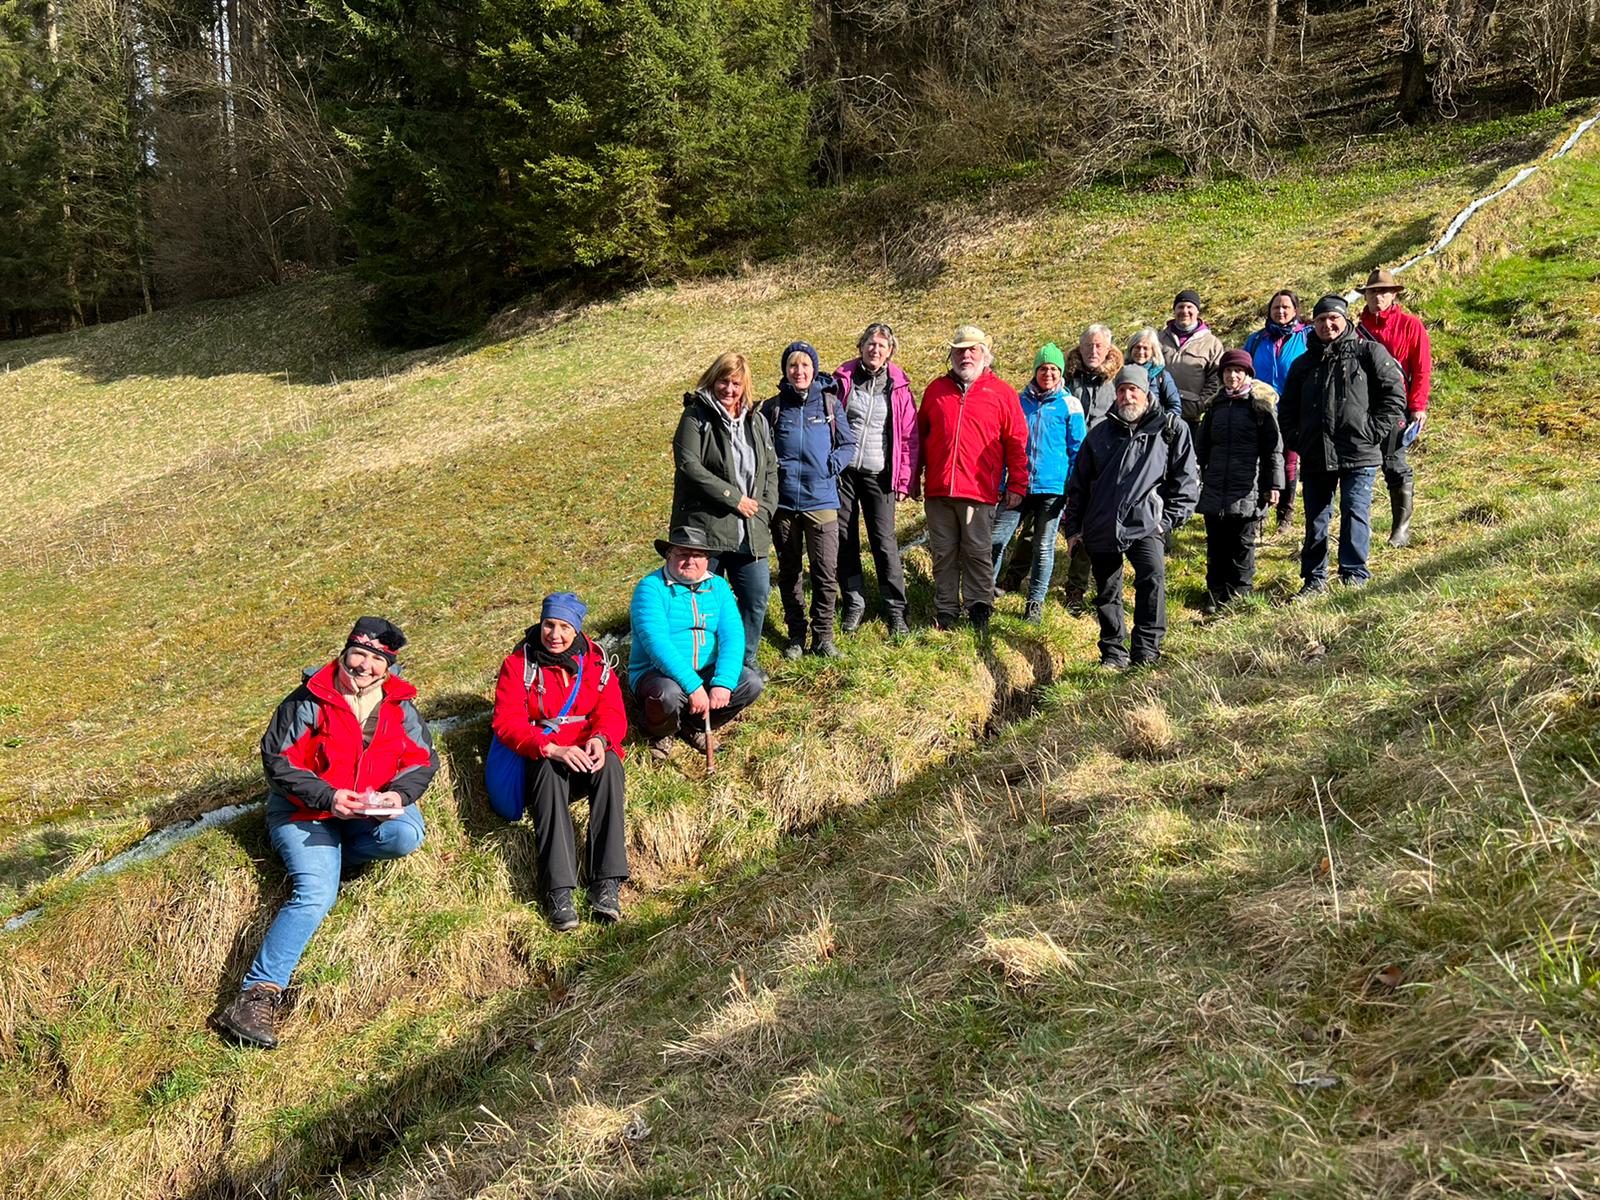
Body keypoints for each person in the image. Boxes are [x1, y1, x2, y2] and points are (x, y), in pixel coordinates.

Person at [216, 617, 437, 1049]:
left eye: (376, 660)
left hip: (363, 810)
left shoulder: (400, 705)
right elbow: (278, 761)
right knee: (316, 895)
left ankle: (336, 860)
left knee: (407, 832)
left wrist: (397, 796)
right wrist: (328, 796)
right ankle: (256, 995)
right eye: (359, 655)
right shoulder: (307, 699)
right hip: (304, 813)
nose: (365, 666)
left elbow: (422, 760)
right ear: (344, 653)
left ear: (388, 666)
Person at [491, 593, 629, 932]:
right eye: (549, 625)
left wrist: (600, 740)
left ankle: (606, 882)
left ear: (577, 629)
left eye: (565, 627)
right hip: (544, 758)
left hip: (585, 755)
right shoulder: (517, 666)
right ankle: (559, 891)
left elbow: (612, 713)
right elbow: (507, 722)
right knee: (547, 771)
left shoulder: (596, 663)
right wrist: (550, 747)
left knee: (610, 765)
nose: (555, 634)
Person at [1062, 368, 1199, 668]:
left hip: (1146, 522)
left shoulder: (1169, 429)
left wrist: (1168, 520)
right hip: (1101, 524)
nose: (1126, 396)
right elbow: (1078, 485)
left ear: (1146, 393)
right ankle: (1113, 653)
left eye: (1133, 390)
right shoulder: (1099, 434)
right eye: (1121, 390)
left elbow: (1186, 481)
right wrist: (1073, 529)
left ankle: (1146, 649)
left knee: (1152, 578)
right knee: (1107, 591)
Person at [1279, 295, 1407, 596]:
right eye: (1321, 320)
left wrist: (1372, 431)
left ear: (1345, 320)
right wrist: (1299, 440)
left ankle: (1354, 575)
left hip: (1359, 452)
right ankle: (1313, 580)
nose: (1327, 325)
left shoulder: (1369, 352)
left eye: (1333, 318)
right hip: (1315, 453)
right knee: (1316, 519)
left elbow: (1394, 396)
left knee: (1355, 511)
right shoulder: (1303, 363)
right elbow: (1287, 410)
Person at [917, 324, 1029, 632]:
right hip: (939, 490)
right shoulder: (936, 390)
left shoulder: (1002, 393)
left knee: (978, 552)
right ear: (951, 354)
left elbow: (1017, 442)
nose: (966, 355)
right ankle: (946, 609)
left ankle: (979, 607)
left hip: (979, 490)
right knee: (943, 554)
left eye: (972, 350)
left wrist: (1018, 483)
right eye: (960, 350)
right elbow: (920, 438)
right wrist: (913, 478)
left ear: (984, 354)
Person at [671, 352, 779, 671]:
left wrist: (765, 510)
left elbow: (771, 469)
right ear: (712, 380)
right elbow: (689, 465)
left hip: (750, 531)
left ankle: (742, 662)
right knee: (701, 602)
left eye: (735, 383)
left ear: (745, 386)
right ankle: (703, 663)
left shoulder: (756, 420)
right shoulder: (696, 416)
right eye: (723, 381)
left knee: (756, 597)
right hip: (707, 532)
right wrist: (734, 499)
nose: (729, 389)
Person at [629, 526, 765, 761]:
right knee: (667, 695)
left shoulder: (719, 587)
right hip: (657, 672)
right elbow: (656, 643)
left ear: (707, 559)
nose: (690, 561)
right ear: (669, 555)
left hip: (706, 668)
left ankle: (692, 726)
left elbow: (732, 636)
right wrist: (693, 686)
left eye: (698, 555)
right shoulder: (650, 588)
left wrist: (723, 682)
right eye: (682, 553)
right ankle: (662, 731)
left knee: (750, 683)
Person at [762, 342, 857, 658]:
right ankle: (795, 637)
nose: (799, 371)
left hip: (822, 502)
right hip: (784, 504)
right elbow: (761, 449)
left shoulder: (830, 404)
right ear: (785, 372)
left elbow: (847, 444)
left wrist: (830, 466)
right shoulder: (773, 408)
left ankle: (823, 637)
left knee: (825, 572)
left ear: (814, 369)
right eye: (793, 366)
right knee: (789, 573)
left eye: (804, 366)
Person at [991, 343, 1087, 623]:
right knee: (996, 540)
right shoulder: (1018, 401)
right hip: (1018, 485)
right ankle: (982, 596)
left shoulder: (1070, 404)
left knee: (1043, 546)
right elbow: (1002, 444)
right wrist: (1001, 482)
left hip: (1053, 488)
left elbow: (1077, 449)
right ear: (1035, 371)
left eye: (1054, 369)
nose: (1048, 373)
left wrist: (1072, 487)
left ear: (1061, 372)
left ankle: (1035, 603)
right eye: (1043, 368)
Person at [835, 323, 918, 638]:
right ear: (861, 346)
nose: (876, 350)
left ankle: (896, 608)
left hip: (879, 474)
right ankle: (854, 601)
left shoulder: (898, 388)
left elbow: (909, 437)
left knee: (884, 543)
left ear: (890, 352)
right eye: (871, 343)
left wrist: (905, 478)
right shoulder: (842, 380)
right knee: (845, 539)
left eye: (882, 346)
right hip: (843, 473)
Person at [1195, 350, 1284, 613]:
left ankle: (1240, 593)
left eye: (1238, 371)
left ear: (1247, 375)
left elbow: (1273, 450)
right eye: (1227, 371)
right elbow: (1201, 448)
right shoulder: (1214, 407)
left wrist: (1273, 485)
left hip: (1248, 486)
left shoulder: (1260, 407)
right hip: (1214, 486)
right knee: (1216, 542)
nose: (1232, 376)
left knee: (1242, 543)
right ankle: (1215, 592)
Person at [1357, 267, 1432, 548]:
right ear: (1366, 295)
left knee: (1394, 464)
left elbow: (1422, 369)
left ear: (1393, 294)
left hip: (1397, 407)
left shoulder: (1411, 325)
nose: (1379, 296)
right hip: (1362, 406)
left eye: (1384, 291)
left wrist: (1418, 406)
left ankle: (1401, 528)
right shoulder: (1354, 330)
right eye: (1374, 291)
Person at [1058, 324, 1125, 612]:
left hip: (1103, 463)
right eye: (1088, 346)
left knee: (1090, 524)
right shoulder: (1065, 378)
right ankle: (1019, 576)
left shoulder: (1118, 381)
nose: (1092, 351)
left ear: (1109, 348)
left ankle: (1081, 588)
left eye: (1098, 346)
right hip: (1067, 459)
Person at [1243, 291, 1309, 529]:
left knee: (1289, 461)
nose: (1280, 312)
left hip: (1294, 410)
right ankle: (1260, 510)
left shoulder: (1306, 337)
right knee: (1261, 459)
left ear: (1295, 311)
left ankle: (1286, 513)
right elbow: (1244, 370)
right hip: (1261, 410)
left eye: (1286, 307)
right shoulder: (1257, 339)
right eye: (1275, 308)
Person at [1158, 289, 1225, 429]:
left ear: (1197, 311)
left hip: (1191, 417)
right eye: (1180, 307)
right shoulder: (1159, 339)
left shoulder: (1212, 343)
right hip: (1159, 413)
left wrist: (1200, 404)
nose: (1185, 311)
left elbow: (1216, 379)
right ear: (1174, 310)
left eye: (1190, 307)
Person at [1125, 328, 1184, 420]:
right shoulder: (1121, 373)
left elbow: (1174, 406)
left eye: (1146, 348)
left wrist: (1161, 425)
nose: (1141, 352)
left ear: (1153, 351)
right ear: (1131, 348)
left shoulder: (1161, 376)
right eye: (1138, 347)